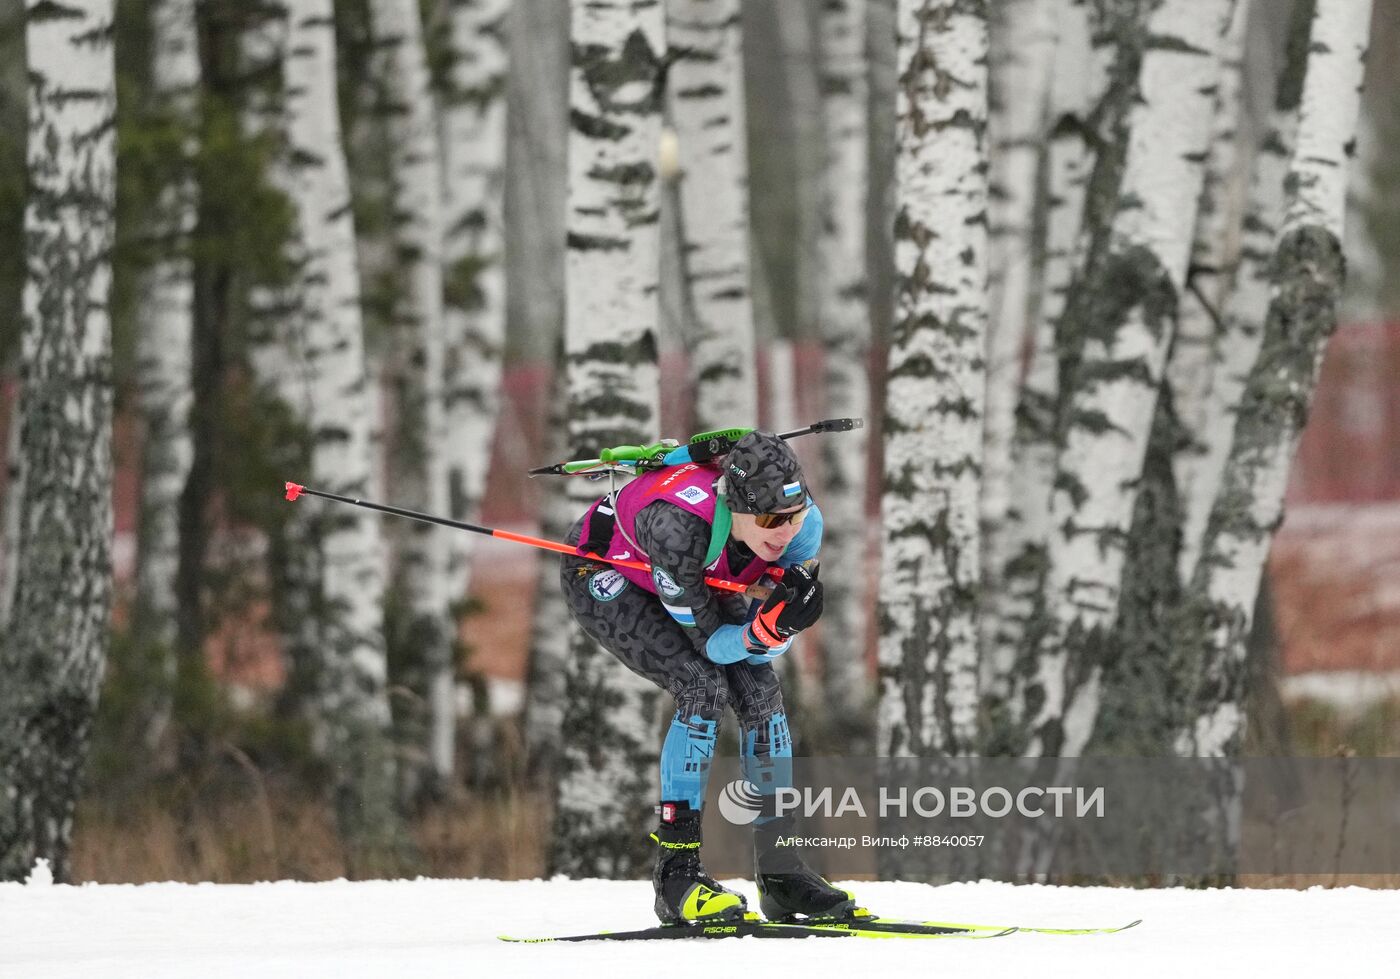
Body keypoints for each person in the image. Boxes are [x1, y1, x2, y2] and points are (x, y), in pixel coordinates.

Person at [560, 430, 856, 925]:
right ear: (734, 504)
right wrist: (762, 630)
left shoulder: (804, 527)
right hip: (609, 575)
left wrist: (779, 626)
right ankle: (676, 877)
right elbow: (712, 643)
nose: (784, 532)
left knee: (763, 693)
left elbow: (768, 637)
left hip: (702, 575)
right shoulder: (677, 528)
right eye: (769, 520)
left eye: (795, 515)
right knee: (702, 687)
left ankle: (781, 873)